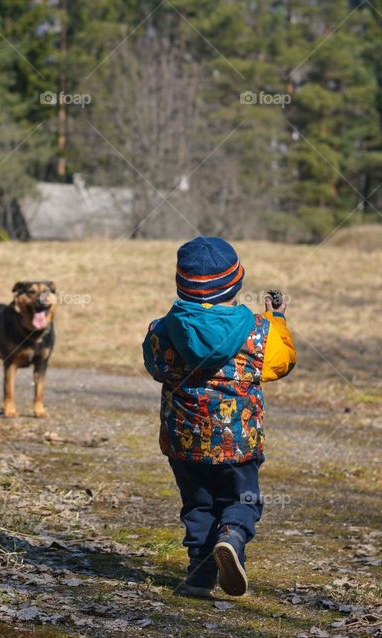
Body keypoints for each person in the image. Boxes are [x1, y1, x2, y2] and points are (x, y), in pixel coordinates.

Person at [142, 236, 296, 597]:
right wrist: (278, 319)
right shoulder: (260, 332)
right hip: (238, 445)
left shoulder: (162, 330)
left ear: (182, 286)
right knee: (242, 501)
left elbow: (154, 365)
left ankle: (198, 575)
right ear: (236, 284)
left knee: (198, 504)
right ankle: (232, 537)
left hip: (184, 445)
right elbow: (284, 361)